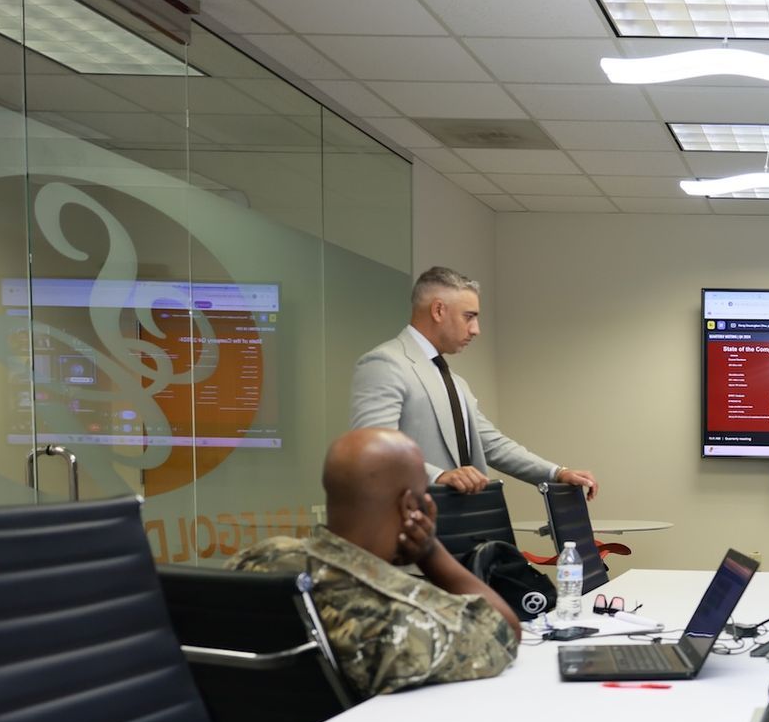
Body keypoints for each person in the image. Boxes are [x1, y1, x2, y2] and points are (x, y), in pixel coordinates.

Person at [231, 428, 520, 698]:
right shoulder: (396, 620)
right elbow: (503, 632)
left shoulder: (259, 558)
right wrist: (431, 552)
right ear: (410, 506)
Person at [351, 266, 599, 499]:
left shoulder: (454, 381)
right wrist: (439, 476)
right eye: (469, 317)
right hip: (413, 527)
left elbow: (492, 445)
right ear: (438, 310)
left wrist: (557, 472)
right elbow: (375, 451)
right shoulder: (385, 363)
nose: (475, 329)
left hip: (459, 525)